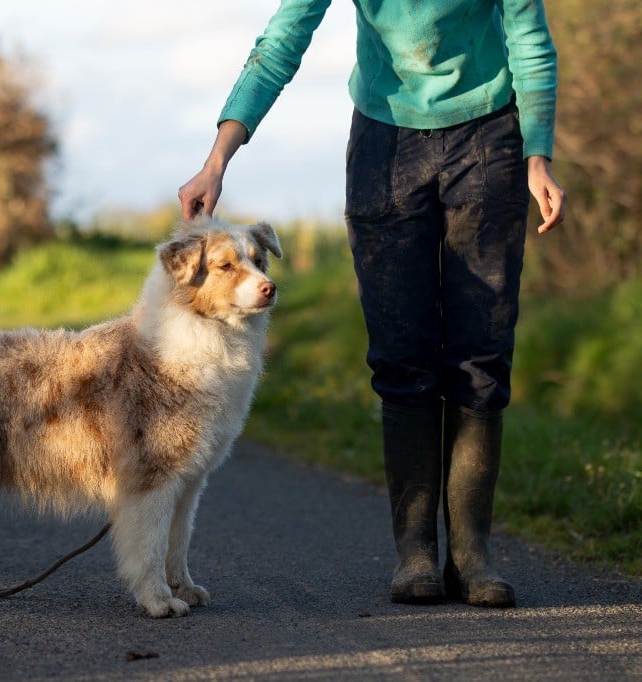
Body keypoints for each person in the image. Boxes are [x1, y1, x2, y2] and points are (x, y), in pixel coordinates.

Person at [178, 0, 566, 608]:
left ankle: (472, 556)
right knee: (401, 354)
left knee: (481, 351)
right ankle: (416, 554)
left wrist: (537, 156)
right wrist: (216, 161)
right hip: (386, 143)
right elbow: (282, 41)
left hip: (489, 134)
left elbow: (529, 36)